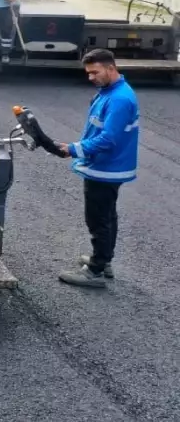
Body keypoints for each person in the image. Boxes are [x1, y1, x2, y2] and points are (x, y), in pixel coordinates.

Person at [55, 49, 138, 289]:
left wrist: (72, 149)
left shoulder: (119, 99)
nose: (90, 77)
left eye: (95, 72)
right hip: (107, 167)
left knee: (98, 219)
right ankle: (104, 259)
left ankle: (96, 271)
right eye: (88, 73)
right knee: (107, 216)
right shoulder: (109, 91)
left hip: (106, 169)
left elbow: (108, 140)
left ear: (111, 68)